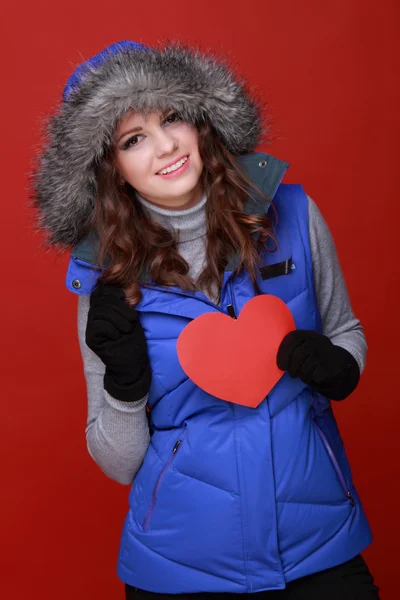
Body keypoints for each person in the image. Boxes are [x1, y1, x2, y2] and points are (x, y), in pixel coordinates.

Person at [31, 40, 380, 599]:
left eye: (172, 116)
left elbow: (347, 332)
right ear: (111, 167)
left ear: (201, 118)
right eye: (133, 139)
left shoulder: (294, 214)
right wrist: (125, 388)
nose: (165, 145)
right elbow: (118, 464)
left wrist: (338, 365)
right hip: (180, 567)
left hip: (321, 546)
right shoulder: (106, 280)